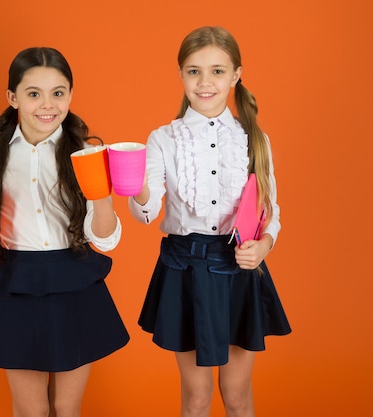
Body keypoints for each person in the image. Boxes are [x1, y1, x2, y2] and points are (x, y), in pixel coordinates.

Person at [128, 27, 291, 417]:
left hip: (238, 268)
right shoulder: (163, 139)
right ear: (181, 74)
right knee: (197, 397)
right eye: (193, 71)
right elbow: (146, 214)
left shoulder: (254, 139)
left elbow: (271, 212)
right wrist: (134, 186)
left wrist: (264, 245)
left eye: (217, 71)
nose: (205, 82)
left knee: (236, 395)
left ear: (236, 75)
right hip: (185, 267)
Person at [0, 47, 129, 417]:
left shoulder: (86, 155)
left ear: (70, 95)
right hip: (17, 282)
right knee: (30, 410)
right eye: (33, 93)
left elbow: (104, 239)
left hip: (74, 280)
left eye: (58, 93)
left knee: (66, 408)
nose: (47, 105)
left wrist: (102, 196)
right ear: (12, 98)